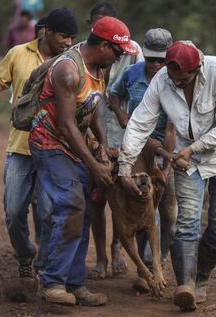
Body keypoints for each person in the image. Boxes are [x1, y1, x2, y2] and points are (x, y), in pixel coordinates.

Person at [118, 41, 216, 311]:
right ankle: (185, 285)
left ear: (198, 69)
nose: (177, 84)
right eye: (173, 79)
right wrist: (125, 166)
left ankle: (201, 279)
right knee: (186, 223)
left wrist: (193, 147)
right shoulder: (163, 80)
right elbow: (140, 122)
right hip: (188, 162)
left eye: (184, 80)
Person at [29, 16, 137, 306]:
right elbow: (65, 125)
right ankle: (52, 282)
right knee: (72, 203)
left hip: (76, 144)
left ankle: (75, 284)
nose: (119, 58)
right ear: (103, 46)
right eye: (117, 52)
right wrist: (94, 164)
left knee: (85, 208)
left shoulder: (100, 66)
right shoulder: (68, 70)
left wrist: (102, 146)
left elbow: (95, 110)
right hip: (50, 143)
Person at [0, 8, 78, 280]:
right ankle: (25, 253)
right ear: (47, 32)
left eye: (72, 38)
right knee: (14, 210)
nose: (68, 42)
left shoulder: (72, 62)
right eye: (64, 36)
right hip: (21, 147)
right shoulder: (18, 54)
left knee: (47, 212)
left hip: (55, 150)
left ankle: (43, 266)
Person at [108, 28, 177, 292]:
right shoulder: (133, 74)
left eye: (162, 60)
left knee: (169, 214)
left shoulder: (175, 80)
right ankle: (145, 269)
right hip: (136, 149)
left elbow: (172, 128)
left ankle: (156, 261)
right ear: (144, 56)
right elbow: (113, 96)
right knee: (142, 206)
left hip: (165, 150)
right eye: (152, 60)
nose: (157, 65)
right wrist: (120, 114)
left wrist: (166, 166)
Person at [84, 1, 143, 279]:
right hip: (91, 135)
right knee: (95, 199)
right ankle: (101, 256)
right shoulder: (82, 55)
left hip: (122, 133)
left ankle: (117, 246)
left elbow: (144, 92)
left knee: (120, 196)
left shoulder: (133, 53)